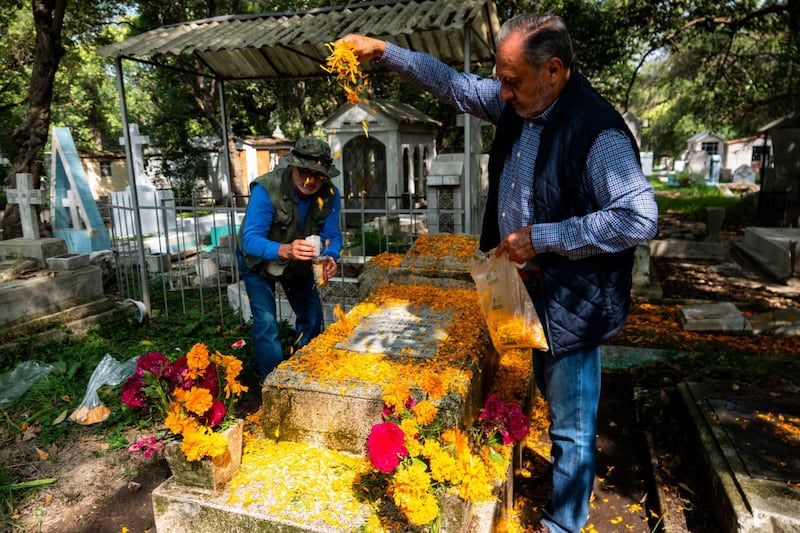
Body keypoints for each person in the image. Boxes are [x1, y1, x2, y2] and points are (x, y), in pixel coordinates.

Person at [340, 13, 658, 533]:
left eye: (512, 80)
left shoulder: (596, 131)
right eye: (500, 78)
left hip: (570, 301)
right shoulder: (519, 100)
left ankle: (564, 523)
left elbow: (640, 217)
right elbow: (455, 85)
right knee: (536, 387)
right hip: (519, 287)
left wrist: (545, 237)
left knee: (572, 424)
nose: (502, 91)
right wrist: (385, 51)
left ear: (553, 70)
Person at [236, 136, 343, 379]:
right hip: (258, 262)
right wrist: (283, 250)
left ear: (325, 174)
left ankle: (305, 375)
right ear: (292, 166)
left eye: (317, 174)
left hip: (298, 264)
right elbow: (249, 239)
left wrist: (330, 255)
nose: (309, 180)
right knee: (267, 325)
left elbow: (332, 235)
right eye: (304, 172)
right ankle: (275, 383)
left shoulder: (330, 194)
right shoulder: (266, 189)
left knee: (312, 317)